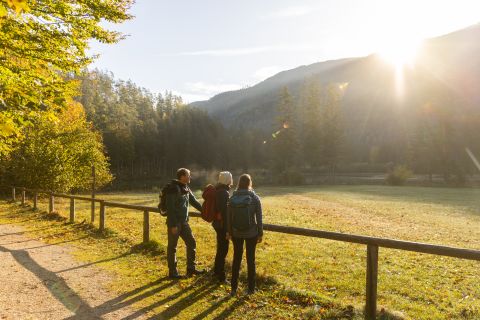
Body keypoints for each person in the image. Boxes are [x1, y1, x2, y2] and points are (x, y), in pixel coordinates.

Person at [226, 174, 263, 296]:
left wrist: (229, 232)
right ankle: (251, 289)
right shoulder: (255, 198)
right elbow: (259, 218)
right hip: (251, 233)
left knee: (237, 259)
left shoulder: (232, 198)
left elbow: (229, 218)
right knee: (250, 260)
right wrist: (260, 233)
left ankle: (233, 288)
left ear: (239, 183)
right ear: (249, 183)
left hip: (236, 233)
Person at [165, 168, 205, 279]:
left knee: (191, 242)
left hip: (184, 222)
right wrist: (172, 225)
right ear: (182, 176)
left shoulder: (186, 187)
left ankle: (191, 269)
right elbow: (170, 208)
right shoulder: (173, 189)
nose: (189, 177)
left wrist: (205, 212)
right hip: (175, 223)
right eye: (188, 175)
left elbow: (194, 201)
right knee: (172, 247)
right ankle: (173, 272)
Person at [212, 171, 233, 283]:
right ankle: (221, 276)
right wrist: (227, 230)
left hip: (217, 224)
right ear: (227, 179)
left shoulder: (219, 190)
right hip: (222, 225)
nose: (232, 179)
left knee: (220, 248)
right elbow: (224, 213)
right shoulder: (223, 193)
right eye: (230, 178)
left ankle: (216, 272)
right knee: (223, 250)